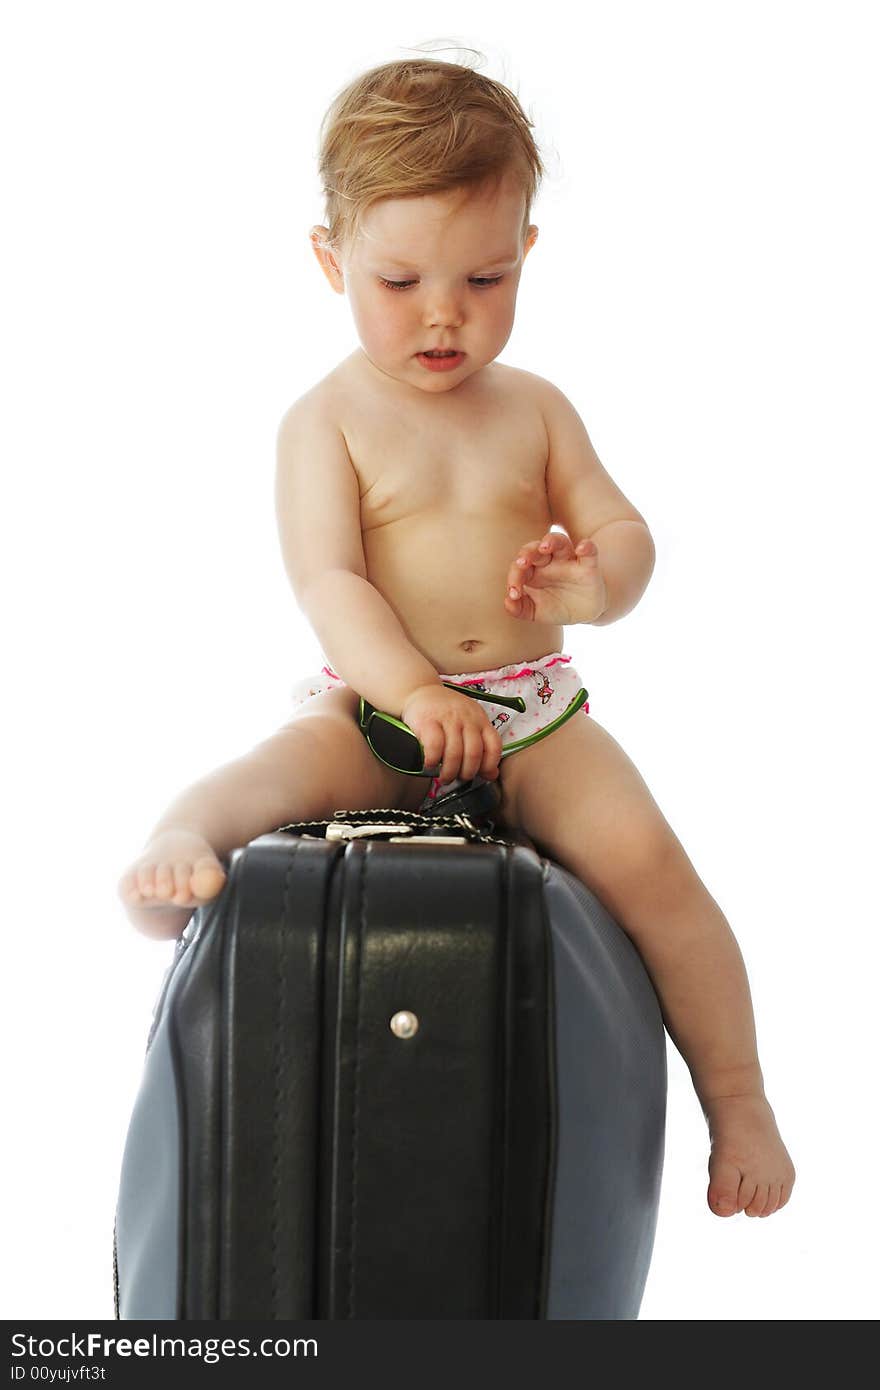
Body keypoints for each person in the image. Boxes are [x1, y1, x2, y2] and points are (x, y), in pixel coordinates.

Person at [118, 56, 795, 1220]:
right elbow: (328, 579)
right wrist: (415, 690)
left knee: (657, 875)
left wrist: (598, 585)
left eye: (483, 276)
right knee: (272, 774)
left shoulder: (533, 406)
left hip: (533, 713)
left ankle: (738, 1097)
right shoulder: (326, 419)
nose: (445, 312)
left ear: (526, 250)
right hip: (381, 712)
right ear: (330, 261)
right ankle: (173, 850)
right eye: (400, 279)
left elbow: (622, 530)